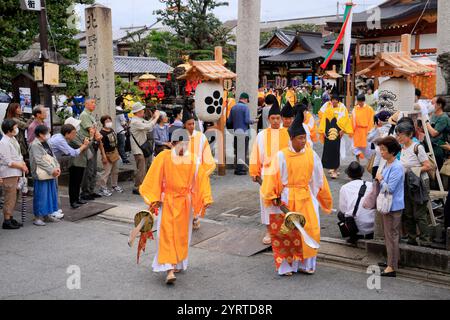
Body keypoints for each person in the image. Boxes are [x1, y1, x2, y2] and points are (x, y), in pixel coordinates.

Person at [261, 110, 333, 276]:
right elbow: (272, 178)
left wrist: (319, 198)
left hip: (306, 196)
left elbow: (318, 179)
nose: (303, 141)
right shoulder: (281, 156)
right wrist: (273, 196)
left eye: (305, 138)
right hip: (286, 197)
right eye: (300, 138)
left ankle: (306, 264)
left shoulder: (311, 155)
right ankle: (287, 266)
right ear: (291, 138)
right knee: (287, 232)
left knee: (310, 230)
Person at [139, 133, 213, 284]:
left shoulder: (192, 159)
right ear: (172, 144)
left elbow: (201, 178)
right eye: (180, 145)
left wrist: (206, 197)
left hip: (186, 203)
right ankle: (169, 269)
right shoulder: (163, 157)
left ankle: (177, 263)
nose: (183, 148)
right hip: (168, 201)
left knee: (182, 235)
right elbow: (154, 177)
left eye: (186, 144)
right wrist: (155, 198)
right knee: (166, 235)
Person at [250, 102, 290, 245]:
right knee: (267, 204)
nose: (275, 121)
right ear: (268, 119)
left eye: (277, 118)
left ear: (281, 119)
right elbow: (255, 154)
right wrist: (254, 171)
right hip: (266, 174)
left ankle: (282, 230)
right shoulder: (261, 135)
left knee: (282, 202)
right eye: (272, 118)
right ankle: (269, 231)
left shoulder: (287, 133)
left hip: (283, 175)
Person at [396, 121, 432, 246]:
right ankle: (412, 238)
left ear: (410, 134)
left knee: (420, 213)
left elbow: (428, 166)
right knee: (408, 213)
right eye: (397, 134)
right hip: (407, 183)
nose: (398, 137)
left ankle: (425, 240)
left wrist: (413, 170)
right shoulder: (402, 148)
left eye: (401, 135)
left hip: (419, 184)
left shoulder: (418, 147)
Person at [375, 136, 405, 277]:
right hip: (389, 205)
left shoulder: (397, 167)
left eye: (383, 150)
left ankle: (391, 266)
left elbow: (390, 188)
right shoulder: (388, 163)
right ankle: (391, 261)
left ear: (392, 152)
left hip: (393, 206)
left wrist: (380, 179)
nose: (381, 152)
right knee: (389, 235)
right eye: (380, 149)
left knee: (391, 236)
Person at [49, 122, 90, 210]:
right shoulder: (60, 140)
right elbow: (73, 153)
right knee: (67, 184)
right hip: (50, 164)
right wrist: (84, 145)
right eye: (73, 133)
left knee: (76, 182)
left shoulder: (59, 137)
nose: (75, 135)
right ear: (67, 133)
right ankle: (55, 208)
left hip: (53, 162)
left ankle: (74, 200)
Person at [29, 125, 61, 226]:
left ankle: (47, 215)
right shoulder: (35, 145)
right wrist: (52, 170)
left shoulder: (46, 142)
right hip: (41, 173)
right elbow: (39, 161)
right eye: (47, 133)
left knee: (50, 194)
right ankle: (38, 217)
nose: (49, 134)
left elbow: (53, 156)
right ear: (40, 134)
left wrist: (57, 167)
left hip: (50, 172)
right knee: (41, 195)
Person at [0, 120, 29, 230]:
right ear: (9, 129)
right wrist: (21, 166)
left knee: (15, 197)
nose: (17, 128)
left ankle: (10, 217)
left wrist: (23, 164)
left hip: (16, 172)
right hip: (9, 173)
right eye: (15, 127)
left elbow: (18, 155)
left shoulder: (13, 139)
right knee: (9, 197)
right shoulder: (3, 142)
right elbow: (8, 161)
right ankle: (6, 220)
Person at [338, 162, 376, 244]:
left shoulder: (344, 188)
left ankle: (354, 236)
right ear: (362, 173)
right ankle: (369, 234)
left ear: (348, 175)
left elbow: (343, 209)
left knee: (340, 214)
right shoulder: (371, 185)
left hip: (356, 226)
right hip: (372, 225)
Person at [319, 94, 353, 179]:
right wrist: (323, 131)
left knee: (336, 150)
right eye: (332, 100)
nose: (334, 101)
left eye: (335, 100)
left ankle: (335, 169)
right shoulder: (328, 110)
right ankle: (330, 168)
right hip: (328, 133)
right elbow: (323, 120)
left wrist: (343, 130)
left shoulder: (342, 110)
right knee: (328, 150)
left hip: (337, 133)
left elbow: (346, 120)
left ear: (338, 101)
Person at [130, 102, 160, 195]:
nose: (144, 111)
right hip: (138, 149)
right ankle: (138, 187)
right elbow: (149, 126)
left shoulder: (139, 119)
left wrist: (153, 118)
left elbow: (148, 124)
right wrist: (156, 117)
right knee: (141, 168)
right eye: (142, 110)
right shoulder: (135, 121)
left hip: (141, 147)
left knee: (144, 167)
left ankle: (142, 185)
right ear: (138, 112)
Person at [79, 99, 106, 200]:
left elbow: (95, 129)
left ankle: (91, 190)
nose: (94, 105)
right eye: (92, 103)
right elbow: (91, 130)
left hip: (94, 143)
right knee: (89, 169)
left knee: (94, 168)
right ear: (86, 104)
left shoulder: (90, 115)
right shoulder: (84, 115)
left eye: (95, 103)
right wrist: (98, 135)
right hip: (88, 143)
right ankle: (85, 192)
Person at [227, 93, 255, 175]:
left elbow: (229, 121)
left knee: (237, 150)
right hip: (244, 132)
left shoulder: (233, 107)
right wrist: (254, 121)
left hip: (236, 132)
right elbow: (247, 121)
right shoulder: (245, 108)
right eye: (247, 100)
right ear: (245, 99)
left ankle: (238, 168)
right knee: (242, 151)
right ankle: (239, 170)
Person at [68, 127, 96, 209]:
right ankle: (73, 201)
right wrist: (90, 138)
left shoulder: (78, 134)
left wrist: (87, 141)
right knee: (74, 183)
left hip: (82, 160)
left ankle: (77, 199)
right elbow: (85, 146)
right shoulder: (73, 137)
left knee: (78, 182)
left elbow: (86, 143)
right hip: (75, 161)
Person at [98, 115, 123, 197]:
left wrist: (117, 152)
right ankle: (102, 188)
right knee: (106, 172)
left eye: (110, 120)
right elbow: (101, 146)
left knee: (115, 171)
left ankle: (114, 185)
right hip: (107, 154)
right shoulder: (101, 133)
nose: (109, 122)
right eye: (106, 121)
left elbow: (115, 142)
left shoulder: (111, 130)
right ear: (103, 123)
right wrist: (104, 156)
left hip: (114, 153)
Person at [423, 97, 449, 170]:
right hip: (429, 145)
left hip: (438, 147)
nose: (430, 105)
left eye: (432, 103)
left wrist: (426, 122)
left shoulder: (443, 118)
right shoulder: (433, 115)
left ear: (439, 105)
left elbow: (434, 133)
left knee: (437, 171)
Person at [367, 111, 392, 179]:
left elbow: (368, 139)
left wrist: (374, 128)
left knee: (376, 179)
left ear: (380, 120)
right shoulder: (393, 129)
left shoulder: (378, 130)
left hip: (379, 158)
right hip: (390, 158)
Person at [352, 94, 375, 162]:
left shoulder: (369, 109)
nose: (360, 103)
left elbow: (372, 120)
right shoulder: (355, 109)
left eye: (361, 102)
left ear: (364, 101)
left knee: (367, 147)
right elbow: (352, 120)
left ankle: (369, 161)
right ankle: (357, 160)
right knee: (355, 146)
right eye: (359, 102)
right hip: (357, 130)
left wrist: (370, 130)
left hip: (366, 130)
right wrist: (352, 130)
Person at [115, 97, 130, 164]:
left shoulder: (115, 109)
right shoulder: (120, 110)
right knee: (121, 145)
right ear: (121, 102)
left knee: (119, 145)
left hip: (116, 129)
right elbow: (123, 122)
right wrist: (126, 127)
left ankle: (122, 158)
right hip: (120, 130)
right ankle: (124, 159)